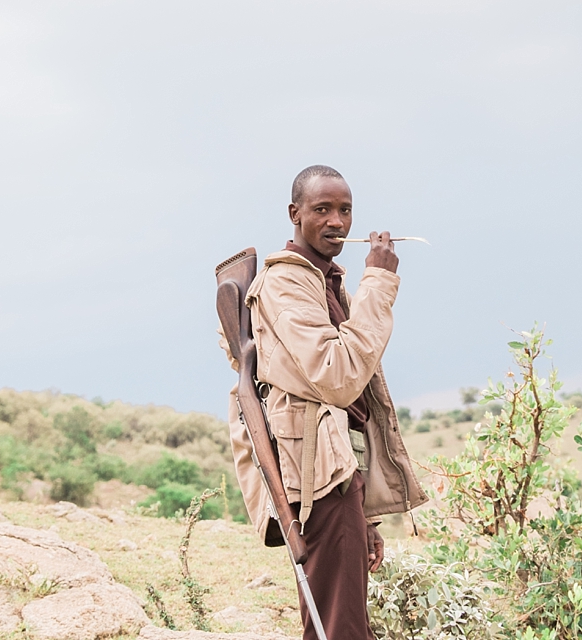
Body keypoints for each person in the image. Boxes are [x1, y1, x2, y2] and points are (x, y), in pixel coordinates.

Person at [222, 165, 427, 640]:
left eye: (345, 210)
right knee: (341, 627)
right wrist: (379, 281)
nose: (337, 221)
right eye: (322, 209)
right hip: (318, 481)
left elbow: (344, 411)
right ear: (294, 214)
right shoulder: (286, 284)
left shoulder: (323, 282)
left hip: (336, 474)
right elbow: (337, 378)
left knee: (339, 622)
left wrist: (364, 514)